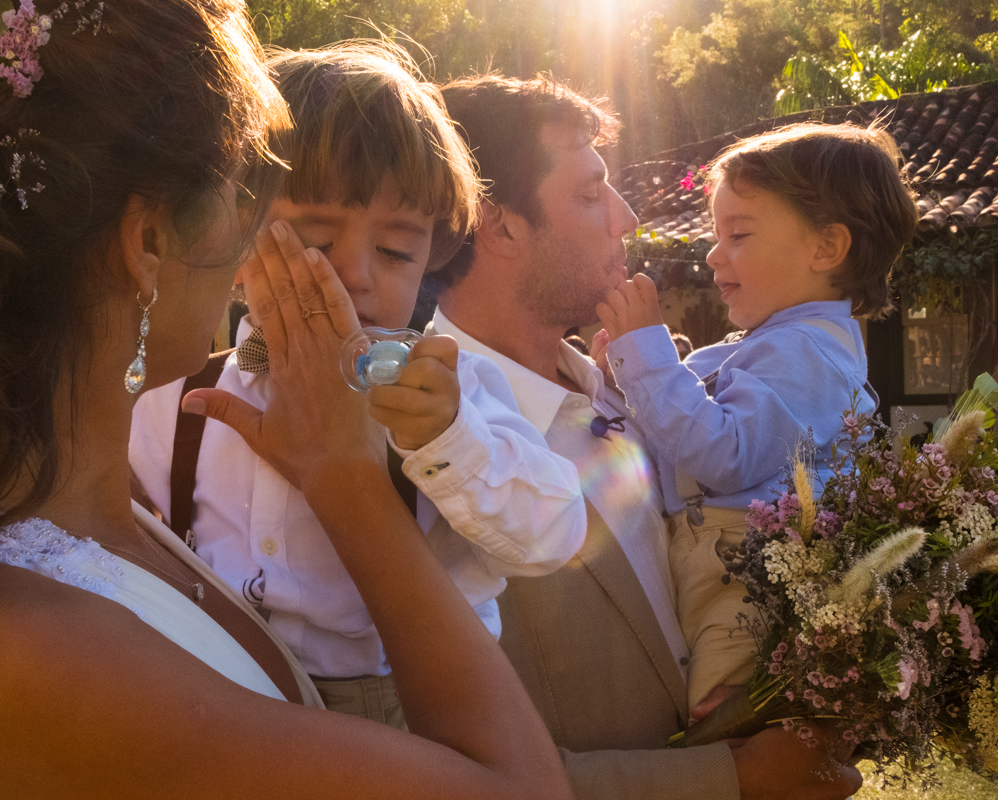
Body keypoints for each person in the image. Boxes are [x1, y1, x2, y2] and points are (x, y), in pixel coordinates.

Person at [0, 4, 573, 798]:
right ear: (149, 242)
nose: (248, 237)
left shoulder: (96, 512)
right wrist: (342, 473)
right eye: (245, 193)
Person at [433, 74, 864, 800]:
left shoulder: (629, 392)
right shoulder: (432, 446)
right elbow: (442, 769)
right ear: (499, 225)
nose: (627, 217)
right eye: (591, 193)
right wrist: (733, 777)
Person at [129, 43, 586, 726]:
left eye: (397, 250)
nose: (358, 276)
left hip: (411, 709)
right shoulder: (173, 398)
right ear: (233, 239)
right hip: (232, 697)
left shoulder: (451, 391)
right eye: (315, 241)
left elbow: (554, 536)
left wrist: (449, 441)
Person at [597, 123, 918, 713]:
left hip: (746, 581)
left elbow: (724, 454)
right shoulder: (768, 344)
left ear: (826, 248)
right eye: (717, 233)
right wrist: (625, 373)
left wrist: (645, 354)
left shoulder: (808, 353)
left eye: (739, 234)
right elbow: (676, 433)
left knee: (719, 727)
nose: (713, 254)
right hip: (719, 564)